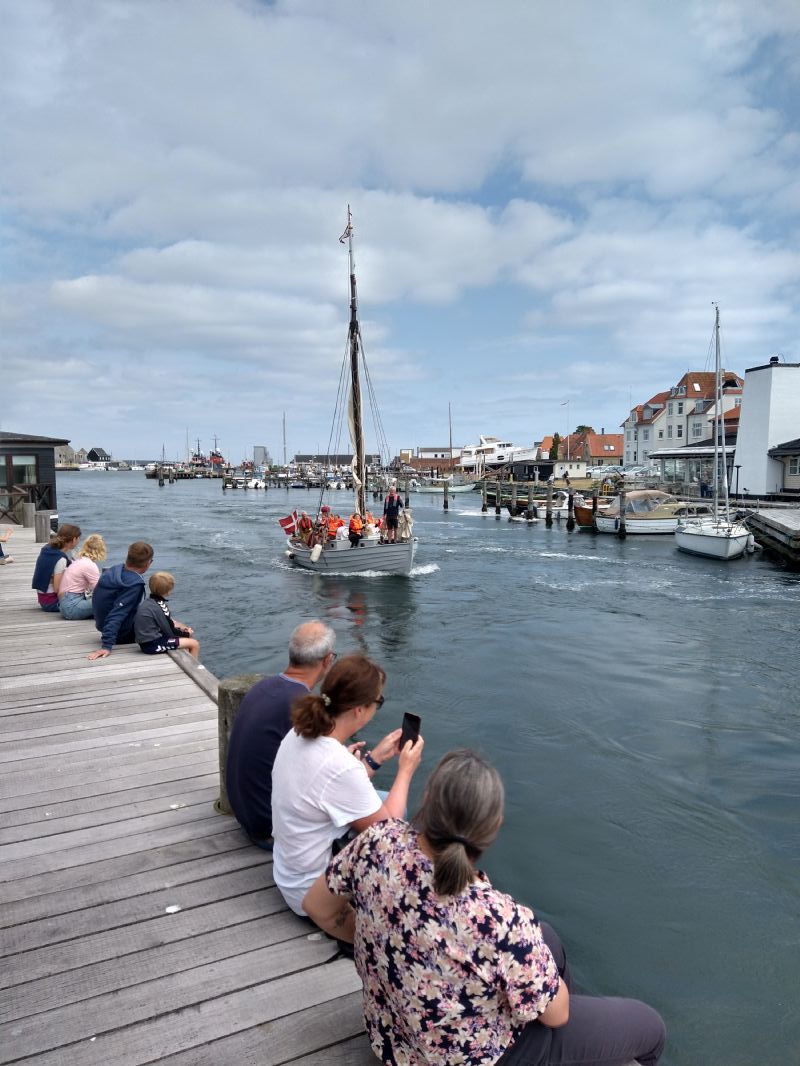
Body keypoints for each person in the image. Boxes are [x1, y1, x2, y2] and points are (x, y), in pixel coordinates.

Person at [304, 750, 666, 1066]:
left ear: (427, 799)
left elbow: (318, 908)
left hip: (395, 1044)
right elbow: (558, 1016)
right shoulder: (498, 921)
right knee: (650, 1028)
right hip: (479, 1056)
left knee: (547, 938)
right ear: (494, 827)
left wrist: (388, 939)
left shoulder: (377, 843)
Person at [271, 652, 424, 916]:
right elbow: (390, 830)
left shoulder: (297, 733)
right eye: (379, 701)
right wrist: (406, 770)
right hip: (310, 895)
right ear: (360, 709)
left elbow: (330, 788)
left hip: (288, 873)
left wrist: (374, 759)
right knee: (400, 824)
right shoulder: (339, 764)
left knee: (384, 796)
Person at [225, 620, 337, 849]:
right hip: (268, 829)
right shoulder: (302, 706)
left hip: (245, 814)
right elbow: (326, 779)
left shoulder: (261, 687)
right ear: (327, 660)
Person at [88, 540, 153, 660]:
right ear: (148, 563)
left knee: (163, 619)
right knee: (175, 630)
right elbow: (117, 614)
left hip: (103, 626)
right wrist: (106, 645)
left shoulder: (113, 571)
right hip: (122, 634)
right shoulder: (133, 584)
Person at [134, 571, 200, 660]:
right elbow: (170, 631)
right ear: (168, 591)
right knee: (194, 644)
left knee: (183, 634)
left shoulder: (148, 602)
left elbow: (166, 623)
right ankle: (194, 669)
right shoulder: (160, 606)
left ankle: (187, 659)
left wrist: (182, 631)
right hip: (152, 644)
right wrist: (187, 633)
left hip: (145, 642)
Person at [31, 523, 81, 611]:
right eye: (78, 538)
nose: (79, 541)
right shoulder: (60, 559)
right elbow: (57, 588)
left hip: (43, 599)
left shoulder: (47, 549)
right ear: (74, 539)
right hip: (51, 603)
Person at [58, 533, 107, 620]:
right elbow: (99, 591)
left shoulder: (79, 560)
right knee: (109, 601)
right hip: (72, 607)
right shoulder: (90, 565)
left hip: (64, 604)